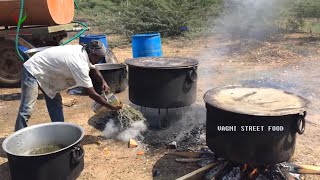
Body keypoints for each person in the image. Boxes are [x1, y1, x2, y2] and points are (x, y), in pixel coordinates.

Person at [15, 40, 122, 131]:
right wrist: (111, 107)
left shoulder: (84, 51)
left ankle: (60, 131)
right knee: (27, 108)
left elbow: (93, 68)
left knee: (55, 102)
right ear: (93, 54)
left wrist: (103, 81)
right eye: (99, 58)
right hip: (33, 70)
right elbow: (92, 94)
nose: (100, 60)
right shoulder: (79, 64)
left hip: (48, 74)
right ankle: (18, 137)